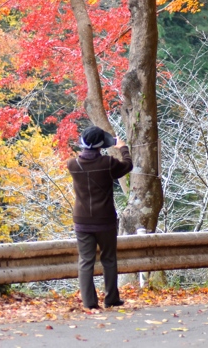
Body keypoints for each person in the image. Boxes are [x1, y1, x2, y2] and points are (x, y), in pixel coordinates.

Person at [68, 125, 134, 309]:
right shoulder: (108, 163)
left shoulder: (72, 164)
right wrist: (122, 148)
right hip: (105, 219)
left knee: (85, 260)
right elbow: (128, 165)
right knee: (109, 259)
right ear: (100, 145)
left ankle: (89, 302)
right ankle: (111, 298)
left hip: (82, 220)